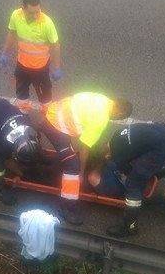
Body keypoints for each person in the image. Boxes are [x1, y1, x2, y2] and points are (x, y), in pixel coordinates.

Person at [40, 92, 133, 225]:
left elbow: (81, 123)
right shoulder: (101, 119)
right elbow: (84, 148)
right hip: (55, 126)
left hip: (53, 113)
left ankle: (52, 162)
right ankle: (66, 207)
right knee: (73, 167)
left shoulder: (102, 98)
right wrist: (81, 173)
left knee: (75, 153)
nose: (116, 120)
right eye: (119, 118)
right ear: (119, 114)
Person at [89, 122, 165, 237]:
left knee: (133, 184)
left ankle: (130, 226)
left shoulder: (118, 155)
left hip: (164, 147)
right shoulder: (116, 135)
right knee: (140, 167)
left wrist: (137, 176)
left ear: (107, 155)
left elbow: (127, 170)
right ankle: (152, 173)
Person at [0, 0, 62, 113]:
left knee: (45, 98)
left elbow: (55, 45)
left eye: (37, 11)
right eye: (31, 12)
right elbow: (12, 33)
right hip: (22, 64)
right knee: (21, 94)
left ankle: (49, 120)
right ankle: (23, 115)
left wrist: (56, 67)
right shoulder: (16, 16)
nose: (35, 15)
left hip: (40, 68)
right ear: (23, 8)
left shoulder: (46, 23)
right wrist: (5, 53)